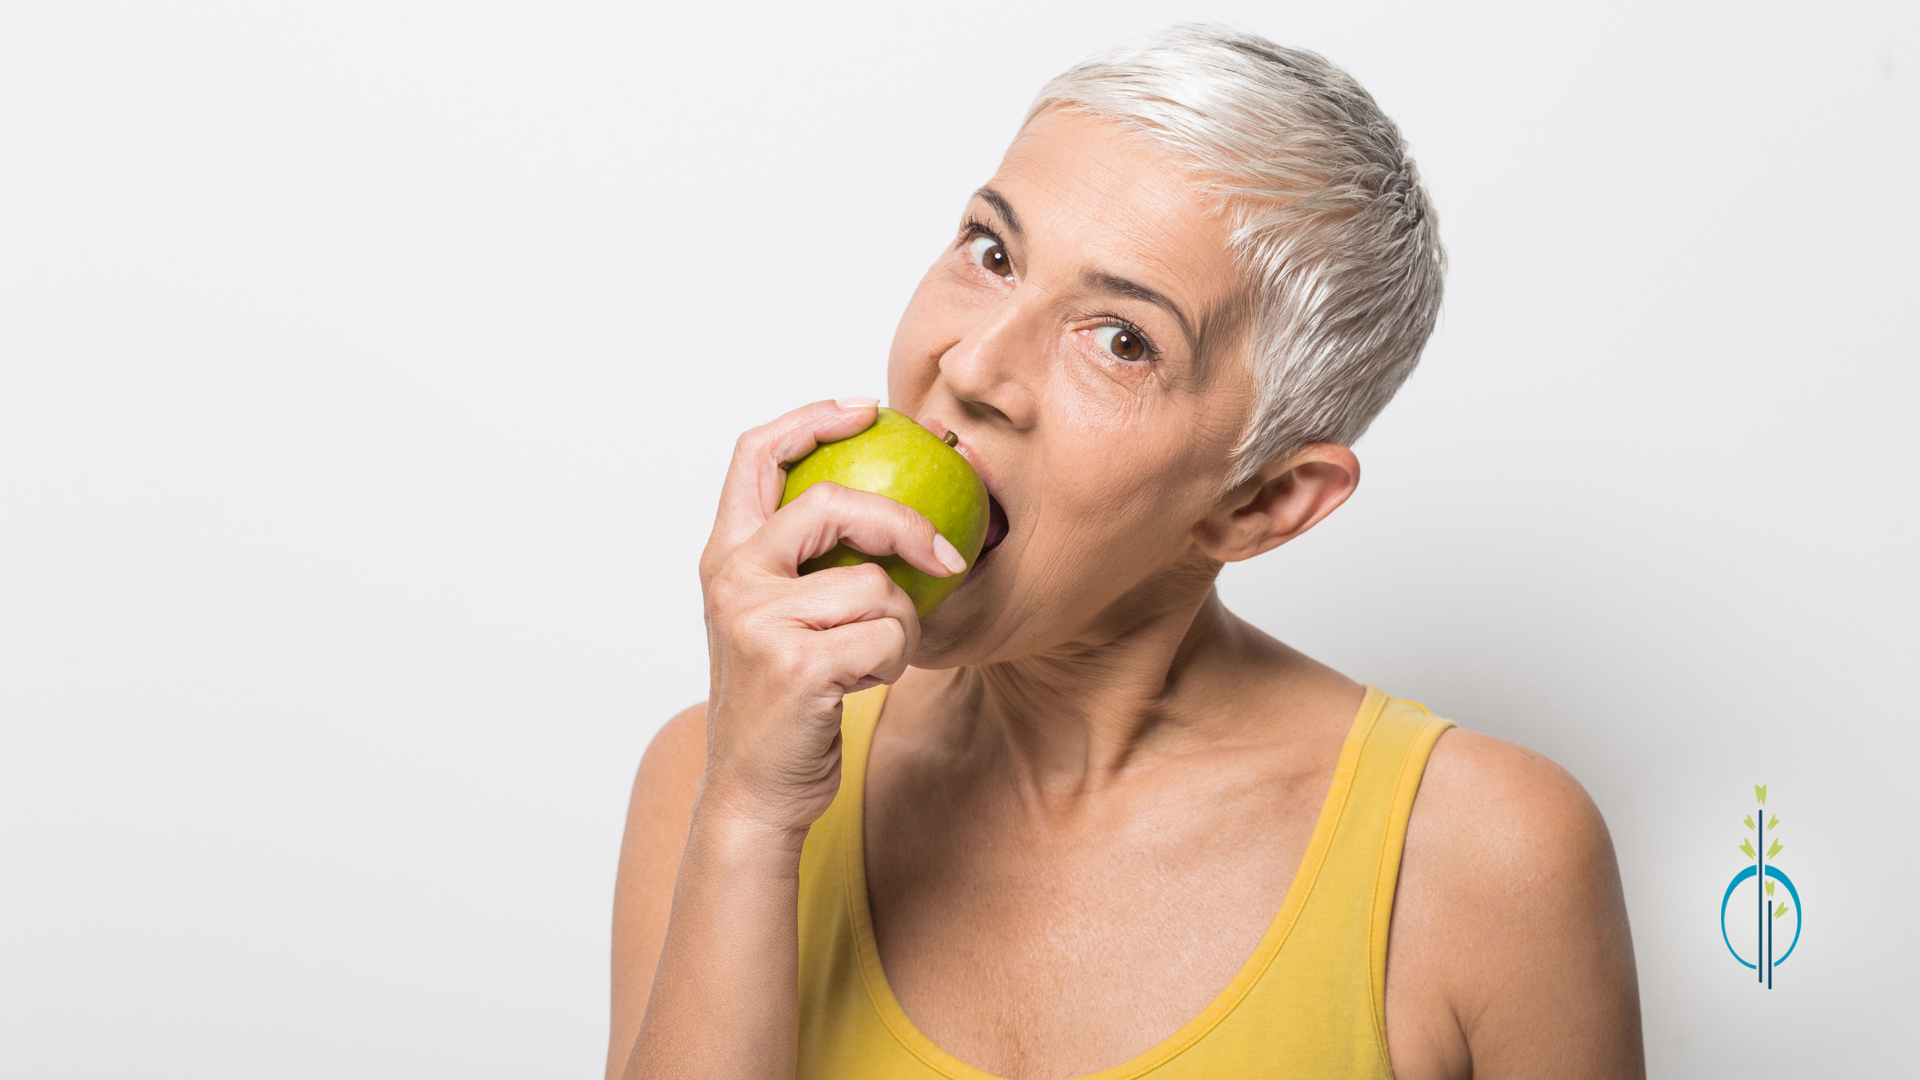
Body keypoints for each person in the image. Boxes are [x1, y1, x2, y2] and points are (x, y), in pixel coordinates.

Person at [607, 23, 1643, 1080]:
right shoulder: (717, 775)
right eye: (993, 252)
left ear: (1262, 501)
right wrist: (748, 820)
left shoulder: (1486, 856)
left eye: (1122, 340)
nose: (971, 366)